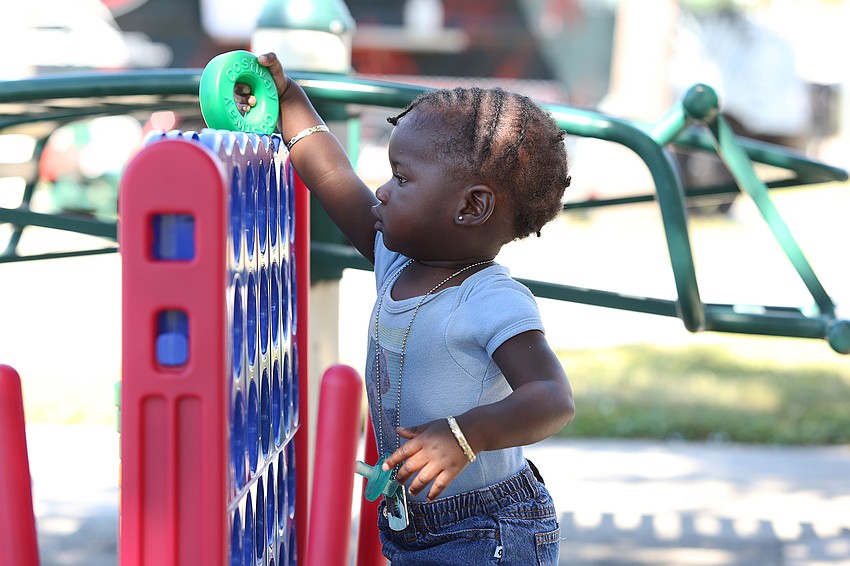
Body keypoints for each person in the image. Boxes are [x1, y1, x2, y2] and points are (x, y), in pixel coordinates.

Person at [237, 52, 576, 565]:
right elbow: (333, 176)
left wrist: (469, 434)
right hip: (413, 518)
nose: (382, 190)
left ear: (470, 206)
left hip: (487, 529)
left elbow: (552, 397)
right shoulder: (396, 260)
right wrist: (288, 100)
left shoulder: (489, 297)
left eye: (402, 178)